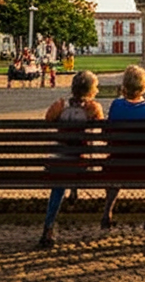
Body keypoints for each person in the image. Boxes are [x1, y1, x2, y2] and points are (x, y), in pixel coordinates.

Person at [39, 70, 104, 248]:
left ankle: (49, 226)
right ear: (92, 90)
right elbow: (102, 130)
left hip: (59, 161)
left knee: (59, 183)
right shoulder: (93, 108)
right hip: (81, 164)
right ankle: (104, 213)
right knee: (79, 159)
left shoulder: (61, 105)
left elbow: (48, 119)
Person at [101, 65, 145, 231]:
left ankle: (107, 212)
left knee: (115, 165)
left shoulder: (116, 106)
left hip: (118, 163)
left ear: (124, 87)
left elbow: (107, 133)